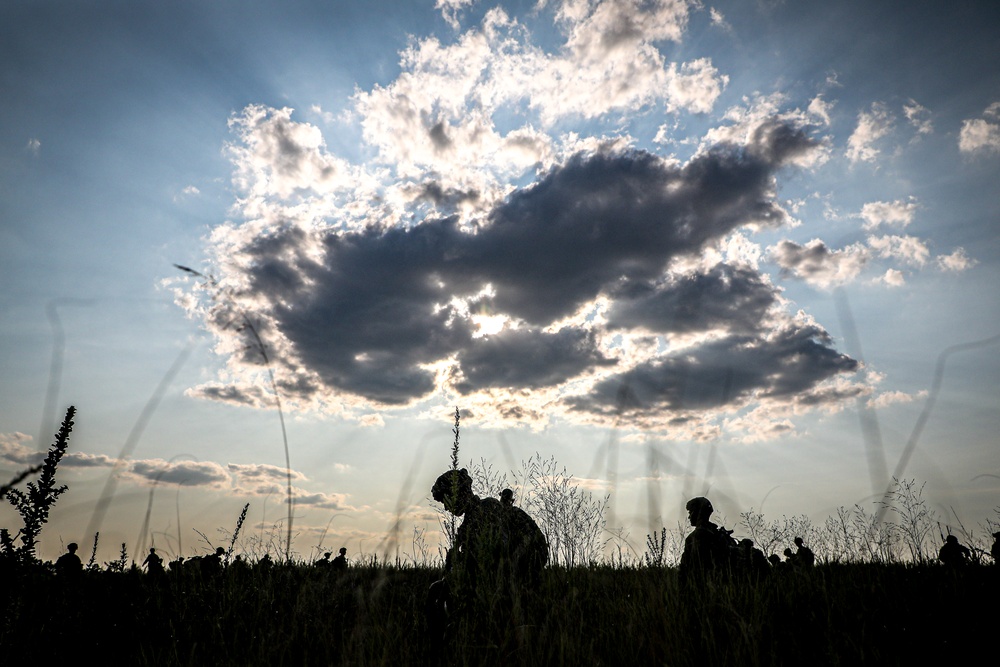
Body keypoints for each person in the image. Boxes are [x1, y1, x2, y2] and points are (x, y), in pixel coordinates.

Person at [678, 497, 734, 584]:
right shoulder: (717, 534)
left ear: (697, 513)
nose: (689, 517)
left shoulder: (695, 537)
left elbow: (686, 569)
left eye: (690, 512)